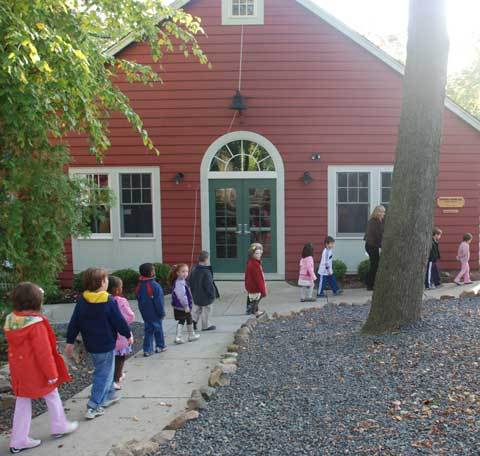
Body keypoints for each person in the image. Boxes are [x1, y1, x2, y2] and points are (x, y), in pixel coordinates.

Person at [5, 283, 78, 454]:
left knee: (22, 402)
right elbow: (43, 352)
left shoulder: (10, 320)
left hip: (19, 369)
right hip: (37, 370)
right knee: (52, 395)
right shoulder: (36, 324)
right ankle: (59, 426)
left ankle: (18, 439)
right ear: (36, 302)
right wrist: (52, 374)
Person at [65, 268, 132, 420]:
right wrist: (127, 334)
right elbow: (118, 321)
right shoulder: (108, 300)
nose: (107, 282)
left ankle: (108, 395)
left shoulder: (83, 300)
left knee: (105, 370)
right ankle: (94, 406)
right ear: (102, 283)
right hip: (106, 343)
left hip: (92, 344)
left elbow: (74, 322)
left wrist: (70, 341)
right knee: (103, 374)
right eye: (106, 279)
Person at [108, 276, 135, 390]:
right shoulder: (121, 301)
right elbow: (130, 316)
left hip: (109, 334)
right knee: (120, 357)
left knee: (111, 359)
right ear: (117, 289)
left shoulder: (104, 301)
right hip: (121, 334)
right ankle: (116, 378)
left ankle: (113, 377)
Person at [136, 263, 167, 357]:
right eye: (153, 270)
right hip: (155, 313)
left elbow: (138, 298)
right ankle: (160, 346)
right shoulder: (155, 286)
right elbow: (159, 302)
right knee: (158, 330)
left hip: (145, 313)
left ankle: (147, 350)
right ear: (151, 273)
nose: (154, 271)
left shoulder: (139, 286)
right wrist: (162, 313)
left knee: (148, 331)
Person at [169, 263, 200, 344]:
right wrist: (186, 306)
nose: (185, 273)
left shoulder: (181, 281)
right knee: (185, 319)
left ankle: (186, 336)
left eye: (187, 271)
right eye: (183, 271)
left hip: (180, 306)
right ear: (177, 273)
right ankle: (183, 336)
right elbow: (182, 296)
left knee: (186, 319)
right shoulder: (180, 283)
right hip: (182, 306)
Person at [189, 251, 216, 331]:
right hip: (205, 295)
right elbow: (209, 285)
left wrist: (193, 292)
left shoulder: (194, 269)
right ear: (206, 259)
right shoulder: (206, 272)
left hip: (196, 294)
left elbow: (190, 281)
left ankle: (193, 321)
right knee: (206, 309)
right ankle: (206, 325)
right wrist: (212, 294)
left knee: (197, 308)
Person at [364, 205, 386, 291]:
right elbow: (377, 235)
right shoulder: (373, 221)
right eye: (382, 212)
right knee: (374, 265)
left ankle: (369, 282)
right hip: (371, 245)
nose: (384, 213)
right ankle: (369, 285)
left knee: (375, 264)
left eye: (384, 212)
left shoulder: (380, 221)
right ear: (378, 212)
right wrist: (382, 245)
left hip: (374, 245)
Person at [244, 243, 267, 317]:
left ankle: (252, 309)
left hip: (251, 286)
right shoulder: (255, 265)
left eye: (260, 253)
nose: (259, 255)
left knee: (253, 299)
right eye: (256, 253)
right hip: (255, 287)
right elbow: (258, 279)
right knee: (256, 299)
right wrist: (263, 290)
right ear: (252, 254)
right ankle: (254, 311)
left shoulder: (251, 262)